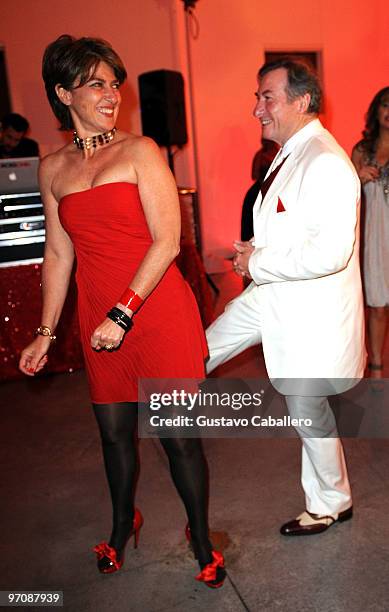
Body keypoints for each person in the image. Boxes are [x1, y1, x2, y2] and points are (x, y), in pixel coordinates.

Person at [19, 35, 225, 588]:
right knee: (113, 434)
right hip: (97, 315)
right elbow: (58, 251)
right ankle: (120, 525)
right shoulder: (52, 168)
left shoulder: (140, 151)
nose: (111, 94)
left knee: (177, 436)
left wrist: (125, 312)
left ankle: (200, 536)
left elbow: (166, 241)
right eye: (95, 84)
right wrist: (45, 331)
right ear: (64, 93)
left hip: (153, 310)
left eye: (115, 83)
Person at [206, 58, 365, 535]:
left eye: (266, 97)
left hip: (309, 313)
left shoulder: (327, 162)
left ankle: (332, 503)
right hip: (273, 295)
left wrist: (254, 262)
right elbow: (295, 227)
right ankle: (158, 409)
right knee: (200, 347)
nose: (257, 108)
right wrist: (259, 251)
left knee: (307, 412)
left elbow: (330, 253)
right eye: (257, 97)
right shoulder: (291, 150)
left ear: (301, 101)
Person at [352, 87, 389, 382]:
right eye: (385, 105)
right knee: (377, 304)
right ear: (376, 110)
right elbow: (342, 195)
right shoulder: (361, 150)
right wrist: (357, 177)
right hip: (374, 234)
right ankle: (375, 367)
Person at [241, 138, 279, 241]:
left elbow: (254, 174)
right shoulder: (277, 155)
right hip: (264, 192)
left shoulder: (260, 155)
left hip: (256, 192)